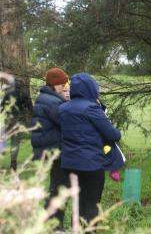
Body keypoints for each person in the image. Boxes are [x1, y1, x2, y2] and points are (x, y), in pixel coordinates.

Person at [59, 72, 121, 225]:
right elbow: (113, 135)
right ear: (91, 88)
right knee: (92, 204)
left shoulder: (62, 108)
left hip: (69, 164)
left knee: (78, 203)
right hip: (91, 164)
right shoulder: (92, 108)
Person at [31, 67, 69, 229]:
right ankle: (54, 225)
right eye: (62, 84)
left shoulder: (47, 98)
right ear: (54, 84)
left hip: (50, 149)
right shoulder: (52, 101)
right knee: (58, 189)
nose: (65, 87)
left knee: (57, 187)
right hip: (54, 150)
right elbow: (66, 121)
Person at [1, 75, 33, 170]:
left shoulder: (7, 93)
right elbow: (30, 107)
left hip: (8, 119)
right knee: (15, 141)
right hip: (19, 120)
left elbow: (2, 107)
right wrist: (30, 117)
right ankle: (13, 163)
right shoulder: (24, 93)